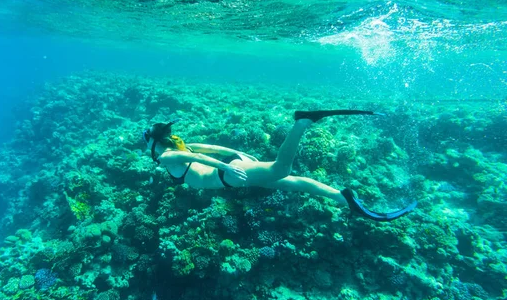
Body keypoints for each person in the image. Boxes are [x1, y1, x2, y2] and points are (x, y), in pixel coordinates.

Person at [142, 110, 417, 222]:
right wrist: (237, 153)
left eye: (144, 142)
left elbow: (204, 159)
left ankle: (302, 123)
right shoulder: (181, 146)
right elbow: (212, 148)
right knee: (289, 181)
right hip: (231, 168)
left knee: (280, 170)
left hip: (227, 176)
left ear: (152, 143)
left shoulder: (165, 157)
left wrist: (226, 168)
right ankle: (344, 199)